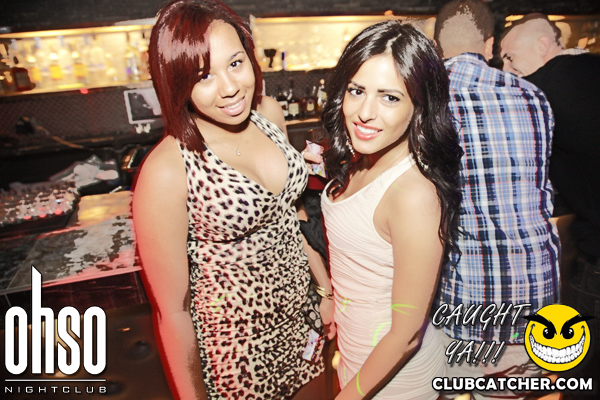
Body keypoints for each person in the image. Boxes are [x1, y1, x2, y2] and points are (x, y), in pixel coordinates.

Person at [132, 1, 328, 399]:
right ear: (177, 83)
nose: (229, 87)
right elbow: (173, 312)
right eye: (204, 76)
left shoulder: (268, 114)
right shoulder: (167, 169)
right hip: (238, 356)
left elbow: (292, 216)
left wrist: (325, 292)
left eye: (235, 63)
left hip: (305, 325)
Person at [318, 20, 462, 399]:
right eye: (357, 91)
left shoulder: (413, 194)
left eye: (390, 98)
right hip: (357, 358)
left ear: (419, 107)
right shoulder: (362, 158)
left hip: (396, 379)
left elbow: (406, 335)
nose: (364, 112)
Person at [433, 1, 561, 399]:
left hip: (464, 299)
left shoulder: (426, 100)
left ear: (436, 48)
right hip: (534, 296)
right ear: (489, 45)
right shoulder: (533, 95)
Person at [501, 14, 600, 301]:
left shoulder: (538, 89)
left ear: (542, 45)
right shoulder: (591, 67)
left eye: (510, 57)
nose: (505, 69)